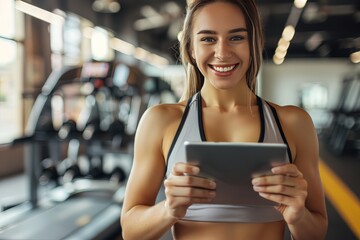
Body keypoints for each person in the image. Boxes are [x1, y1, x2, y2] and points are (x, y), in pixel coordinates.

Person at [121, 0, 328, 239]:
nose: (222, 53)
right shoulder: (160, 121)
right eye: (208, 39)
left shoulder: (294, 122)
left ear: (254, 44)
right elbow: (130, 230)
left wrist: (297, 215)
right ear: (190, 48)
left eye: (237, 38)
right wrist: (169, 209)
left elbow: (317, 231)